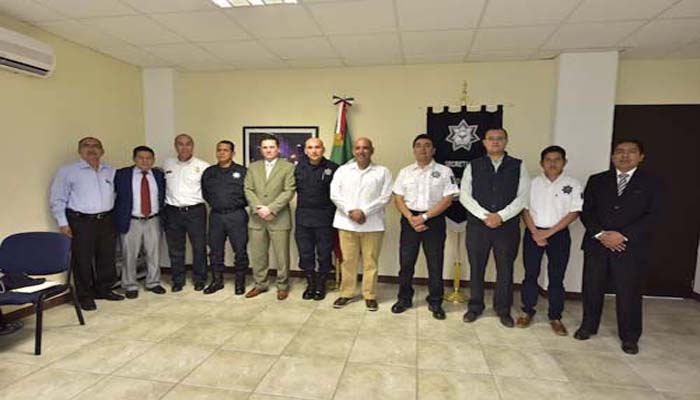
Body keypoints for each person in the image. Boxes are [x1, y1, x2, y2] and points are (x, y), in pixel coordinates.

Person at [575, 139, 662, 355]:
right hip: (597, 244)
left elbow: (654, 215)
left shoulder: (652, 182)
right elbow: (587, 211)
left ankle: (630, 337)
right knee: (592, 288)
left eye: (631, 152)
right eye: (620, 151)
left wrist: (622, 236)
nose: (625, 155)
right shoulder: (597, 180)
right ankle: (588, 326)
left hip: (630, 247)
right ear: (613, 156)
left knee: (629, 292)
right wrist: (600, 234)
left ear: (641, 157)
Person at [459, 128, 529, 327]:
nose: (495, 142)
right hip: (478, 226)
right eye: (491, 139)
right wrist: (485, 216)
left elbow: (523, 197)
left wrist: (501, 216)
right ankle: (475, 306)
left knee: (505, 269)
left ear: (506, 141)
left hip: (507, 227)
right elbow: (465, 196)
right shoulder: (473, 165)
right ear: (484, 142)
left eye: (500, 139)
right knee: (476, 267)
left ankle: (503, 309)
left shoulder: (518, 165)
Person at [50, 137, 124, 310]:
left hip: (106, 219)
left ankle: (104, 289)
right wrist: (63, 223)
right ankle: (84, 295)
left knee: (106, 257)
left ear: (102, 151)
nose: (91, 149)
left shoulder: (110, 170)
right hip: (81, 221)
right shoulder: (68, 171)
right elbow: (57, 198)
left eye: (96, 146)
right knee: (82, 259)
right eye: (86, 146)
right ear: (79, 150)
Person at [391, 134, 458, 320]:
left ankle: (435, 301)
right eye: (419, 145)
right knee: (406, 263)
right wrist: (411, 218)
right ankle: (404, 299)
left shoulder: (444, 171)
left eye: (427, 145)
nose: (423, 149)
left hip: (433, 220)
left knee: (435, 264)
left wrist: (425, 217)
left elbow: (448, 199)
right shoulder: (405, 172)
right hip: (409, 219)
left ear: (433, 150)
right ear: (414, 150)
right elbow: (398, 198)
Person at [516, 145, 581, 335]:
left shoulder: (573, 184)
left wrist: (548, 233)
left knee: (556, 276)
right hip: (533, 232)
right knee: (530, 274)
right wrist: (536, 232)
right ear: (541, 163)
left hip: (559, 235)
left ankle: (555, 316)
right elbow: (525, 209)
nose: (552, 163)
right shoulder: (531, 183)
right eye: (548, 160)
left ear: (564, 162)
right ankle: (527, 311)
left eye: (557, 159)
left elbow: (574, 212)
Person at [331, 137, 392, 311]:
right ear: (353, 151)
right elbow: (335, 194)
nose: (361, 151)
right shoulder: (342, 170)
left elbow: (385, 196)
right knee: (348, 261)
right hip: (346, 223)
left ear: (372, 150)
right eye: (358, 148)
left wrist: (364, 212)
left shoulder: (382, 172)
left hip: (372, 224)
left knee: (370, 262)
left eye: (365, 148)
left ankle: (369, 295)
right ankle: (346, 293)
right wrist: (351, 211)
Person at [243, 134, 296, 300]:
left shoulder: (288, 167)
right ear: (261, 150)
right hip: (257, 217)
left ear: (278, 149)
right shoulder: (253, 167)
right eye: (265, 147)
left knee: (282, 255)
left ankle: (282, 286)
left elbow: (289, 190)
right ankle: (260, 284)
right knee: (258, 254)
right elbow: (248, 189)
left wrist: (271, 209)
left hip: (279, 217)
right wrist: (258, 208)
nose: (268, 150)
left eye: (272, 147)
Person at [114, 146, 167, 299]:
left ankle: (153, 282)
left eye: (148, 158)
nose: (145, 161)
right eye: (141, 158)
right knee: (129, 254)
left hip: (153, 219)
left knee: (153, 253)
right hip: (131, 220)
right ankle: (130, 285)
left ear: (153, 160)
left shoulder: (158, 175)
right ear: (134, 159)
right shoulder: (122, 175)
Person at [163, 134, 210, 292]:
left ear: (193, 146)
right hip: (172, 211)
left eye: (188, 144)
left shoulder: (203, 166)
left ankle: (200, 279)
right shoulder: (167, 164)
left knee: (199, 247)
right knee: (175, 248)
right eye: (180, 144)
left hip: (195, 211)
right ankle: (178, 280)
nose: (184, 147)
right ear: (175, 146)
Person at [201, 140, 249, 295]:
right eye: (219, 150)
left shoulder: (242, 171)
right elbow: (205, 193)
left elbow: (249, 193)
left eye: (225, 150)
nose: (221, 153)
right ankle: (217, 281)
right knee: (215, 251)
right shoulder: (209, 172)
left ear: (232, 153)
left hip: (236, 215)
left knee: (240, 250)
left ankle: (240, 282)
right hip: (216, 215)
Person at [294, 138, 339, 301]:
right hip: (303, 218)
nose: (314, 151)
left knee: (324, 254)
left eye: (317, 147)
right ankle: (310, 283)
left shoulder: (333, 168)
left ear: (323, 149)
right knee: (305, 253)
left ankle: (321, 284)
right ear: (306, 150)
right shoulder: (298, 168)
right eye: (310, 148)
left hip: (325, 218)